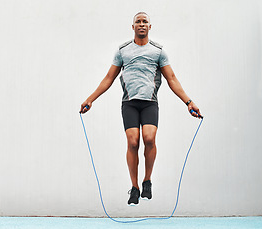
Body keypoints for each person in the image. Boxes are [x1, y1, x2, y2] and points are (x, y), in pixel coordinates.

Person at [80, 12, 202, 205]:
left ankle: (147, 181)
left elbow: (172, 79)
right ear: (133, 27)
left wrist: (189, 102)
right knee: (133, 141)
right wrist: (90, 99)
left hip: (149, 103)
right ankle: (134, 187)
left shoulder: (158, 51)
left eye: (145, 21)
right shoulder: (122, 51)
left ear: (150, 27)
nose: (142, 24)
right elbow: (109, 78)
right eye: (138, 21)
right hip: (129, 103)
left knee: (149, 138)